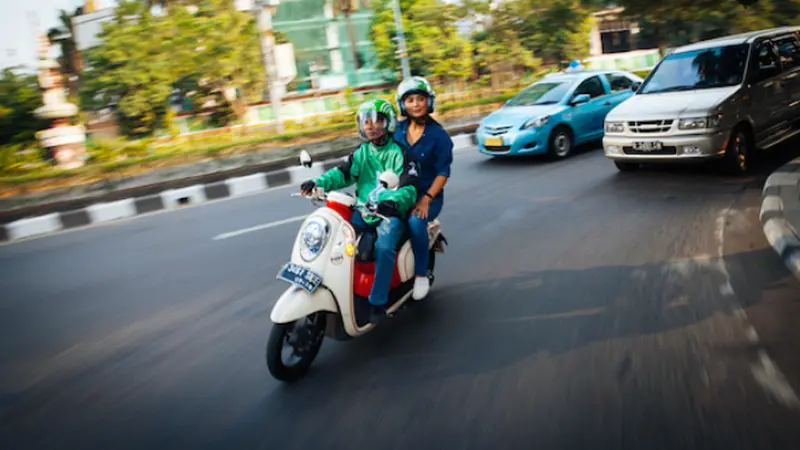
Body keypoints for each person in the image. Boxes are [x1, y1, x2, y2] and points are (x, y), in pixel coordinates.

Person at [300, 98, 419, 319]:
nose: (371, 126)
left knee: (384, 246)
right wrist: (318, 184)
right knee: (334, 237)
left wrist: (393, 201)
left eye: (377, 121)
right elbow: (343, 173)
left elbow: (410, 187)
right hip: (363, 210)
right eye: (366, 122)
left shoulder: (401, 153)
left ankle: (378, 301)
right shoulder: (362, 152)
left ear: (389, 123)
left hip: (388, 214)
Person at [394, 76, 453, 301]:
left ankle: (420, 276)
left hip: (429, 196)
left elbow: (443, 173)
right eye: (410, 100)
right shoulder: (396, 131)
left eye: (421, 99)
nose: (416, 104)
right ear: (402, 104)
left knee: (415, 221)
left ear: (429, 102)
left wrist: (427, 198)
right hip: (399, 192)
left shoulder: (439, 136)